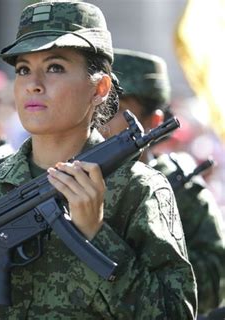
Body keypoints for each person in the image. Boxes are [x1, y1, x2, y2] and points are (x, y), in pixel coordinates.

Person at [0, 1, 197, 319]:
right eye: (23, 70)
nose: (33, 83)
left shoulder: (139, 188)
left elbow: (176, 313)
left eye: (55, 67)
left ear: (100, 87)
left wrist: (96, 235)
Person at [104, 48, 225, 317]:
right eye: (99, 106)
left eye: (117, 110)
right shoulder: (74, 174)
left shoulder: (182, 190)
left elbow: (213, 284)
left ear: (154, 121)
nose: (101, 120)